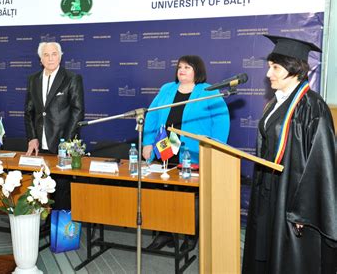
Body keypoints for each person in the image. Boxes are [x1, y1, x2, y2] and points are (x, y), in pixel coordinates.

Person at [242, 35, 337, 273]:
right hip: (269, 192)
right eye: (269, 67)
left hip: (292, 200)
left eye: (275, 67)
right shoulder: (276, 102)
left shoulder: (312, 107)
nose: (268, 74)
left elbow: (321, 164)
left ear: (293, 68)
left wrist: (305, 211)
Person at [142, 55, 230, 252]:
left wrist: (215, 148)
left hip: (193, 153)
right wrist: (147, 142)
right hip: (165, 148)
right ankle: (164, 234)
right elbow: (153, 115)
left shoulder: (208, 91)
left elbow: (221, 122)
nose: (182, 70)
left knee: (190, 197)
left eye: (187, 67)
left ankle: (190, 237)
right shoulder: (167, 89)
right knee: (163, 194)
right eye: (180, 67)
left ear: (197, 71)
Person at [24, 42, 84, 209]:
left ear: (60, 56)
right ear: (40, 59)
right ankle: (42, 226)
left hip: (62, 145)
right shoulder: (33, 80)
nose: (50, 58)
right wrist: (32, 137)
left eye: (54, 54)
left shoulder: (72, 78)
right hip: (39, 147)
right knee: (39, 191)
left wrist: (66, 143)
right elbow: (29, 111)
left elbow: (77, 112)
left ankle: (60, 232)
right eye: (46, 55)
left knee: (61, 192)